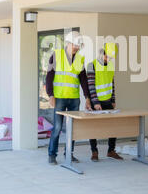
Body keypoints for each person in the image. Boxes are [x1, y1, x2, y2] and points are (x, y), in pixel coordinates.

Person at [46, 31, 92, 165]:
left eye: (79, 46)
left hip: (73, 99)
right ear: (68, 43)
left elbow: (83, 79)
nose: (77, 48)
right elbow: (49, 76)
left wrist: (87, 97)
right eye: (75, 45)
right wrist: (50, 95)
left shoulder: (80, 59)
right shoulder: (56, 55)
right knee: (58, 127)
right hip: (59, 98)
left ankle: (69, 154)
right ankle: (52, 154)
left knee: (73, 129)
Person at [87, 43, 123, 162]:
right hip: (95, 102)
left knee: (113, 126)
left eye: (111, 57)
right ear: (102, 53)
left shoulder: (111, 66)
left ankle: (111, 151)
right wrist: (95, 102)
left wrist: (113, 100)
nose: (109, 59)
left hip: (108, 101)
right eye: (108, 56)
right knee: (93, 128)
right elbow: (91, 85)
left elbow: (112, 84)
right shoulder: (92, 65)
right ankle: (94, 152)